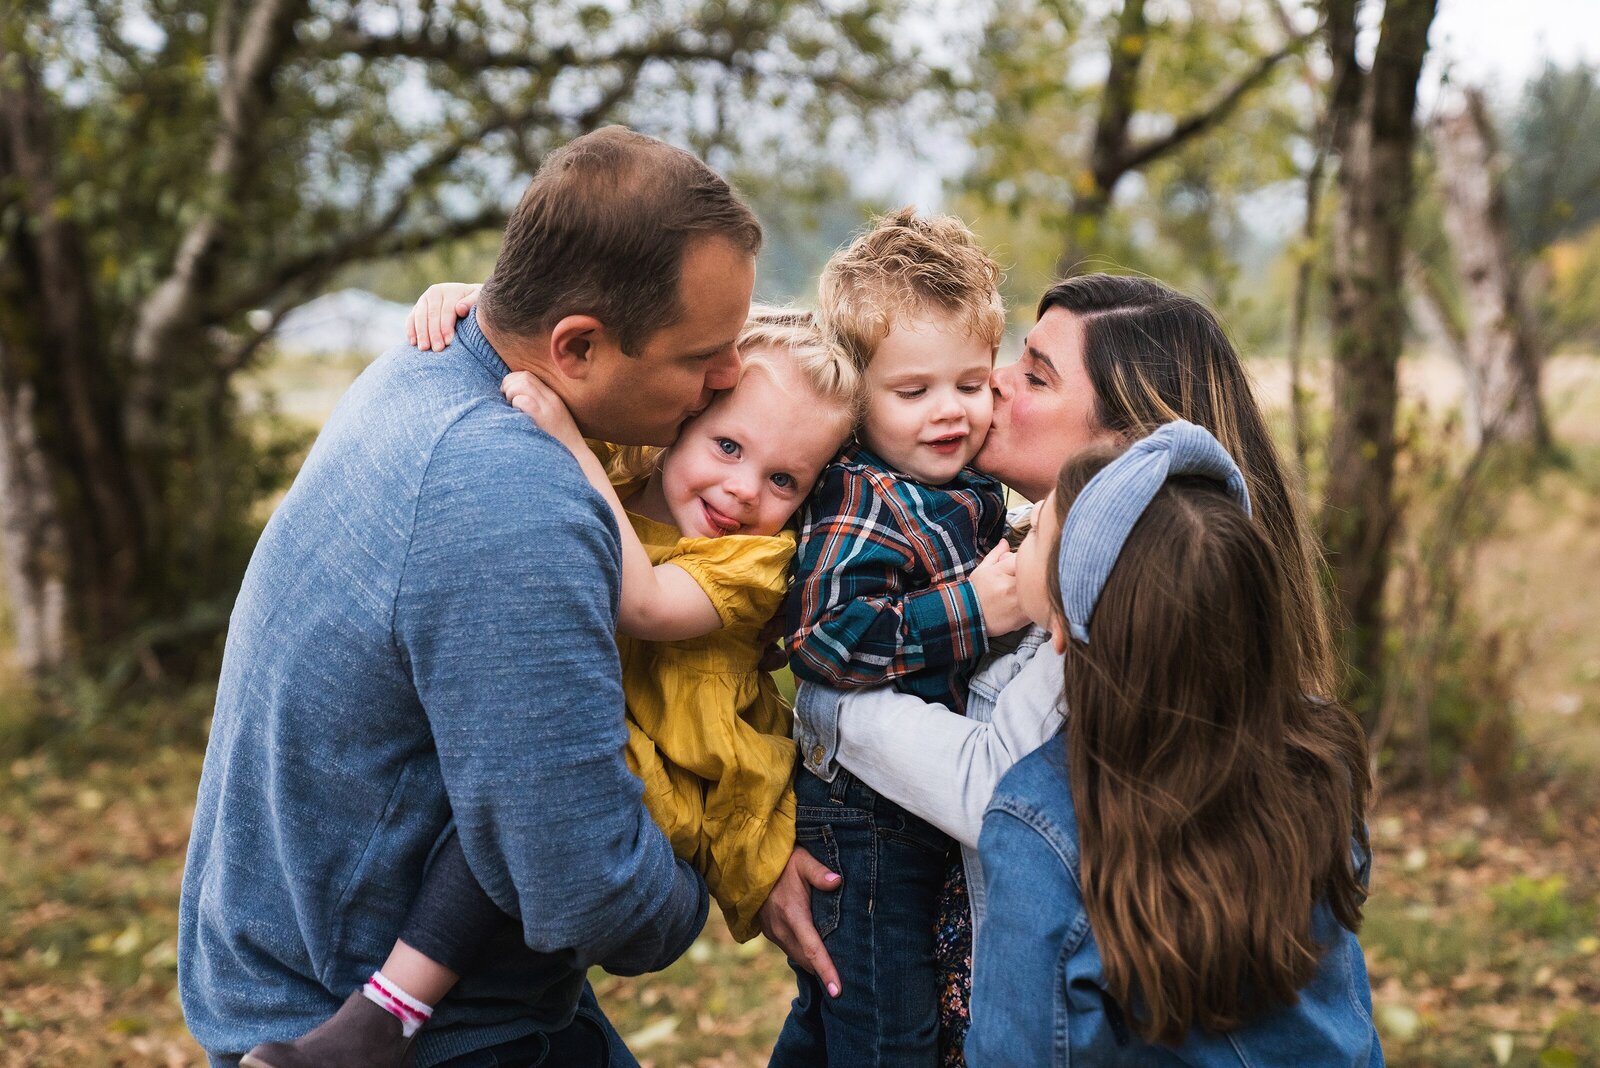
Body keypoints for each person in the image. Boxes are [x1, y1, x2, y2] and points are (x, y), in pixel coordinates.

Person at [179, 126, 773, 1068]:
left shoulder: (424, 368)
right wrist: (695, 883)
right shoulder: (512, 499)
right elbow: (587, 887)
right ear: (575, 345)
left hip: (327, 968)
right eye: (702, 355)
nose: (728, 376)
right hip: (388, 1027)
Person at [243, 307, 862, 1068]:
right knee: (497, 802)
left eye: (782, 480)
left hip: (666, 759)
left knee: (516, 816)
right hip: (595, 723)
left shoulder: (753, 561)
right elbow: (594, 332)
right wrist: (478, 299)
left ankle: (384, 1016)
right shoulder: (630, 469)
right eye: (728, 446)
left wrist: (569, 449)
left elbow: (642, 603)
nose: (741, 489)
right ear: (686, 414)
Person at [788, 273, 1337, 1048]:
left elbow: (998, 788)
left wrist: (816, 705)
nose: (994, 385)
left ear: (1128, 443)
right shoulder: (998, 532)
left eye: (1035, 375)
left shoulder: (1117, 615)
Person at [967, 422, 1380, 1066]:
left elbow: (1015, 1052)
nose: (1024, 534)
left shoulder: (1043, 823)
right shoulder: (1318, 757)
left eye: (1039, 534)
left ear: (1065, 636)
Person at [770, 209, 1025, 1068]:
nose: (949, 412)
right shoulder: (865, 498)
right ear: (855, 398)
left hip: (918, 796)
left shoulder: (967, 481)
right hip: (866, 822)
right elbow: (826, 640)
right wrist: (975, 609)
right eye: (913, 393)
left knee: (831, 1020)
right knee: (888, 1035)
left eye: (971, 383)